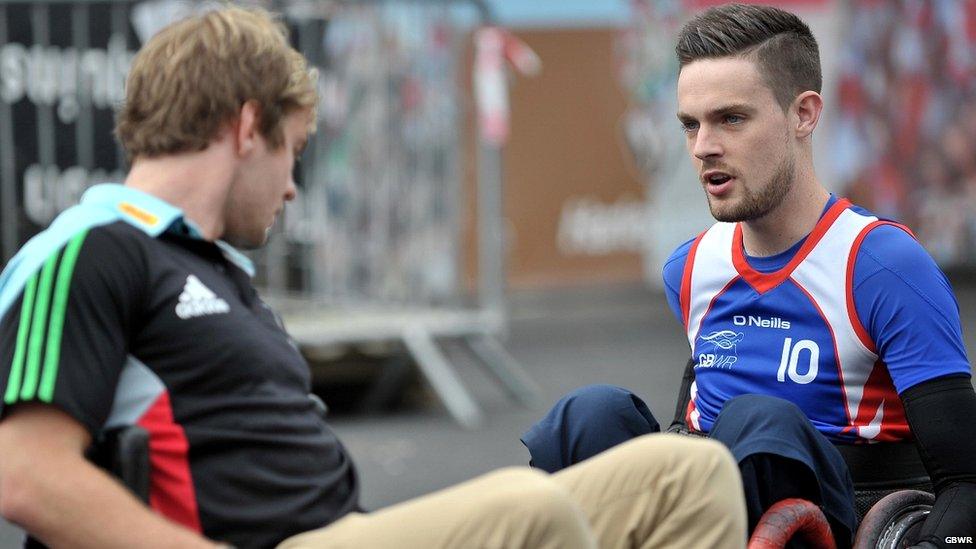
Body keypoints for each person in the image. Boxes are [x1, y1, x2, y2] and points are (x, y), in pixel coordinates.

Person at [0, 6, 747, 549]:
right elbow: (24, 474)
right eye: (292, 151)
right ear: (243, 128)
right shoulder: (93, 248)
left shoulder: (218, 269)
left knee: (685, 473)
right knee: (532, 511)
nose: (293, 187)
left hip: (350, 532)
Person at [523, 3, 976, 548]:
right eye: (691, 124)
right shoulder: (690, 268)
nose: (703, 146)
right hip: (706, 514)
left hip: (829, 520)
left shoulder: (882, 266)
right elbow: (688, 427)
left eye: (730, 119)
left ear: (804, 114)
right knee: (590, 415)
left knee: (758, 421)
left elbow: (966, 483)